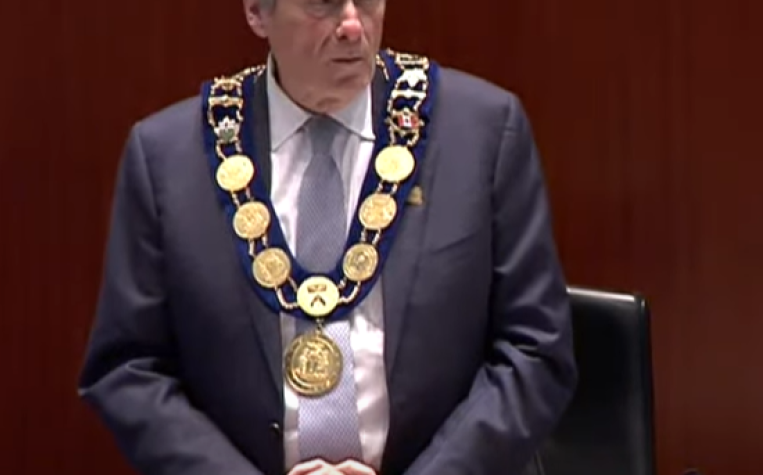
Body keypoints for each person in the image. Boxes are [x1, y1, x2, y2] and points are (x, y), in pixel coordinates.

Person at [77, 0, 578, 474]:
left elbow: (534, 350)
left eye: (368, 0)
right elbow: (129, 369)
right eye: (322, 2)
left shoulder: (482, 133)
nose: (354, 25)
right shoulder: (169, 158)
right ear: (256, 10)